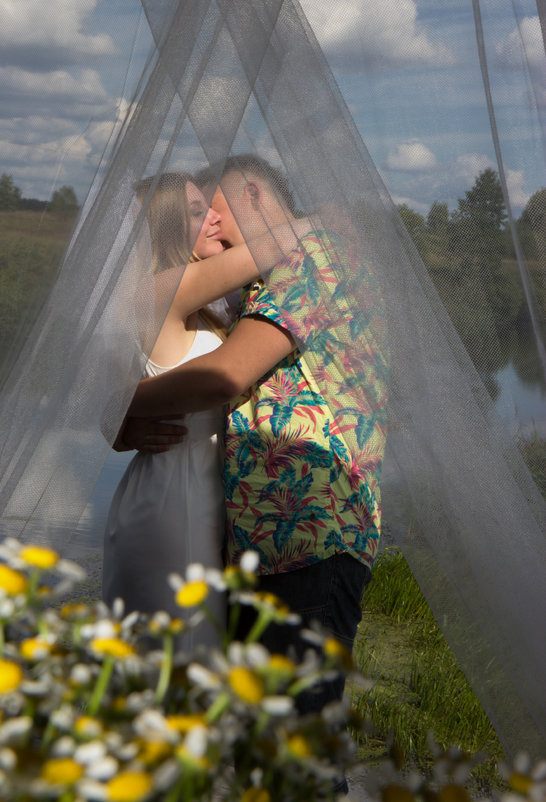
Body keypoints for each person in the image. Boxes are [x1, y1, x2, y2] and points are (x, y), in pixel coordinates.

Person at [123, 156, 387, 701]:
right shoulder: (245, 288)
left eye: (215, 210)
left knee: (292, 748)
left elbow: (228, 374)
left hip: (308, 534)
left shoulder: (310, 261)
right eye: (199, 215)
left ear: (255, 196)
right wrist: (123, 425)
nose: (214, 226)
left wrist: (123, 407)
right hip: (261, 539)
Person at [102, 171, 266, 646]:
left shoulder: (208, 304)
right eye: (198, 211)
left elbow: (112, 401)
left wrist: (124, 430)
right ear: (168, 229)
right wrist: (327, 220)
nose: (215, 216)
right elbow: (272, 246)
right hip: (174, 501)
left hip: (195, 489)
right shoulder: (164, 290)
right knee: (182, 656)